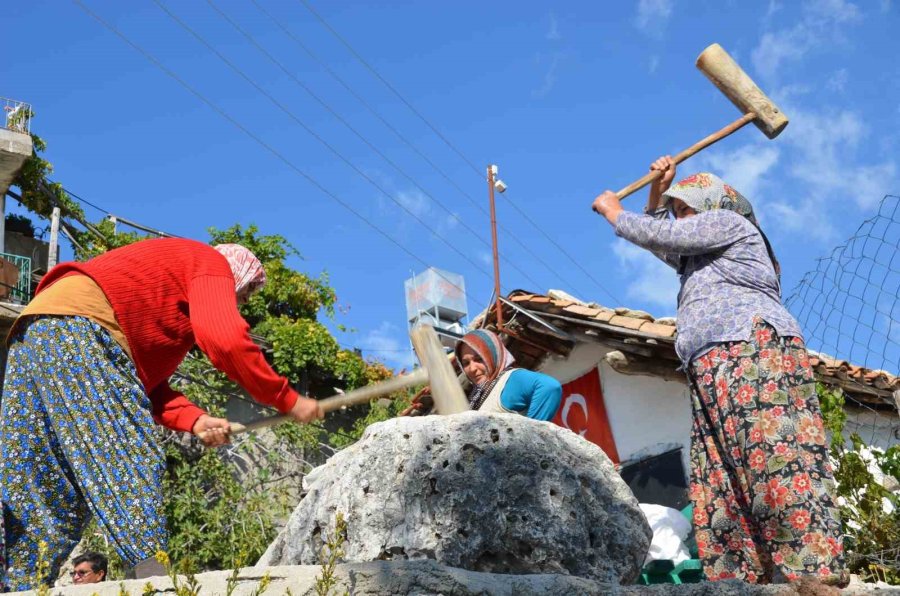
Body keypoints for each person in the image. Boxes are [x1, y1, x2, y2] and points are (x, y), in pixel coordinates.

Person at [0, 238, 323, 591]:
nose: (241, 304)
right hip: (81, 326)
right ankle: (152, 580)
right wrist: (286, 398)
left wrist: (196, 419)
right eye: (243, 294)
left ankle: (20, 585)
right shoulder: (209, 262)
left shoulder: (163, 309)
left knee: (41, 484)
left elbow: (141, 388)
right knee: (130, 455)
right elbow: (227, 339)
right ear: (235, 275)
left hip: (35, 332)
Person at [591, 157, 845, 585]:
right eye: (677, 210)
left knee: (771, 455)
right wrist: (659, 190)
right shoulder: (698, 255)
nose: (680, 216)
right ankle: (747, 578)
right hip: (712, 365)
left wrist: (614, 210)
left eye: (687, 207)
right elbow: (661, 237)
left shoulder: (729, 224)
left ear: (712, 204)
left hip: (750, 349)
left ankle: (811, 572)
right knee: (722, 471)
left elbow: (658, 232)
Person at [454, 329, 562, 421]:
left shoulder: (510, 380)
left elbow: (550, 386)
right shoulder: (477, 394)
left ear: (493, 356)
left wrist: (532, 433)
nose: (472, 368)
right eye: (466, 363)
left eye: (479, 359)